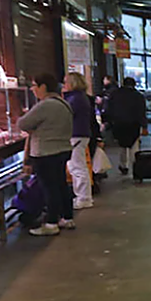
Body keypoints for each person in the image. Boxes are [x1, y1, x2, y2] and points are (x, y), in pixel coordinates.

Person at [18, 73, 75, 236]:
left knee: (50, 188)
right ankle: (67, 217)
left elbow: (22, 123)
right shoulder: (63, 103)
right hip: (62, 149)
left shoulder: (45, 105)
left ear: (43, 87)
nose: (32, 89)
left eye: (34, 86)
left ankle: (51, 223)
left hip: (45, 152)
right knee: (61, 185)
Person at [62, 72, 94, 209]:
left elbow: (65, 114)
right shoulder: (80, 97)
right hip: (80, 134)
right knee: (77, 166)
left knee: (77, 167)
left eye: (66, 82)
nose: (64, 85)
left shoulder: (75, 99)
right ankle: (82, 196)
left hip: (76, 135)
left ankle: (84, 198)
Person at [104, 76, 148, 175]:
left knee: (122, 145)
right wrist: (144, 126)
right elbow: (141, 113)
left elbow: (109, 109)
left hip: (119, 124)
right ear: (134, 85)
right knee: (134, 146)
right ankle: (136, 167)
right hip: (133, 125)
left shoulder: (115, 94)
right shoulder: (138, 96)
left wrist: (108, 122)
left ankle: (123, 165)